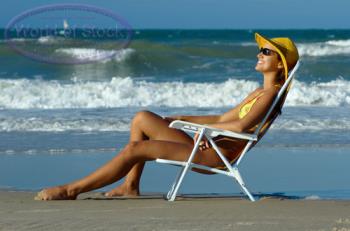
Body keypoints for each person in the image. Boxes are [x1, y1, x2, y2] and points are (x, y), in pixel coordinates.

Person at [35, 33, 299, 200]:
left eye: (266, 51)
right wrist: (183, 117)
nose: (259, 53)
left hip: (214, 155)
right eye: (261, 49)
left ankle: (71, 190)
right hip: (208, 144)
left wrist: (203, 133)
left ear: (280, 64)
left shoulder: (268, 96)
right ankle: (130, 186)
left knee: (136, 149)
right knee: (142, 118)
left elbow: (241, 125)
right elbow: (221, 118)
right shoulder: (258, 92)